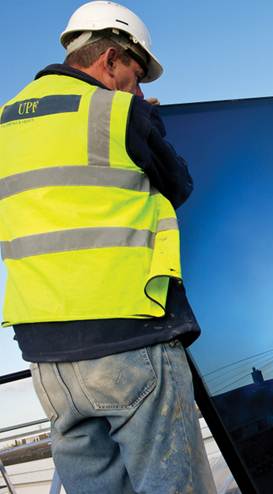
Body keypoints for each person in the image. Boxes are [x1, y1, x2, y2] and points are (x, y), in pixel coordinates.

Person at [0, 2, 215, 493]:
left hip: (47, 359)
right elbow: (178, 184)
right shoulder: (118, 111)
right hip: (128, 341)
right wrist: (144, 120)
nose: (138, 90)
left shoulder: (3, 123)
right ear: (110, 60)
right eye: (135, 76)